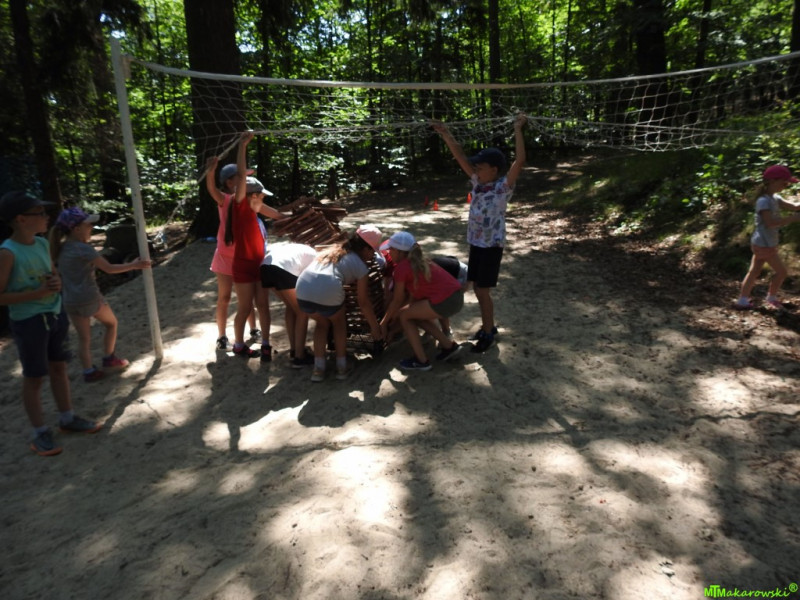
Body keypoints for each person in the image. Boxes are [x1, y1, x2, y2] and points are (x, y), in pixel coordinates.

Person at [0, 191, 102, 456]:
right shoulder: (8, 253)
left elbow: (53, 275)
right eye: (40, 213)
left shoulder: (43, 244)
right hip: (29, 321)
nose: (47, 217)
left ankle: (67, 418)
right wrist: (38, 293)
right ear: (21, 219)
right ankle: (39, 432)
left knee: (59, 367)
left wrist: (55, 283)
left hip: (55, 314)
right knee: (34, 377)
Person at [432, 113, 527, 352]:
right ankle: (489, 327)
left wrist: (518, 129)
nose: (476, 169)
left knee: (482, 291)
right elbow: (460, 156)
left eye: (480, 167)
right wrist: (445, 133)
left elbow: (519, 161)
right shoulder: (477, 182)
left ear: (494, 170)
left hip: (491, 247)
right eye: (475, 167)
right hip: (476, 244)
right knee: (475, 287)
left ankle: (488, 332)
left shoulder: (503, 187)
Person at [49, 206, 151, 382]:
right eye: (88, 225)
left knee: (84, 338)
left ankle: (88, 371)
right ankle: (109, 359)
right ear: (76, 229)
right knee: (111, 323)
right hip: (89, 297)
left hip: (70, 300)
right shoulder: (84, 249)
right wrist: (134, 265)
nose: (91, 227)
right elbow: (109, 268)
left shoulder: (60, 248)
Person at [295, 225, 384, 382]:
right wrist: (374, 328)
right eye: (373, 252)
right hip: (328, 286)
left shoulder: (331, 251)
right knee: (339, 323)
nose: (372, 256)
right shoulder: (361, 266)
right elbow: (363, 302)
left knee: (322, 324)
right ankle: (342, 366)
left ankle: (318, 369)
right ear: (365, 249)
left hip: (302, 288)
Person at [229, 131, 289, 361]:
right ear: (252, 196)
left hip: (260, 265)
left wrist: (302, 216)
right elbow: (241, 177)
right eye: (262, 196)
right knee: (245, 308)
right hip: (243, 266)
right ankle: (238, 344)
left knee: (263, 305)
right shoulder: (240, 207)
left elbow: (279, 215)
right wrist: (243, 147)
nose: (263, 199)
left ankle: (265, 343)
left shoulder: (256, 208)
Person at [380, 231, 465, 371]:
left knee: (404, 316)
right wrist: (393, 326)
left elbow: (397, 300)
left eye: (391, 250)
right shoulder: (420, 261)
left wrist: (383, 324)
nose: (389, 253)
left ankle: (421, 360)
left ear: (400, 252)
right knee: (411, 314)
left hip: (446, 301)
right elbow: (411, 300)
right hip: (457, 298)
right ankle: (449, 346)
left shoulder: (401, 268)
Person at [205, 156, 259, 350]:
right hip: (225, 257)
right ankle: (222, 336)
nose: (246, 181)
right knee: (225, 298)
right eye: (241, 177)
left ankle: (254, 329)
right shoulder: (225, 200)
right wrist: (211, 170)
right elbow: (212, 189)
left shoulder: (249, 201)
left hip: (243, 256)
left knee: (247, 298)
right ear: (229, 182)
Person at [735, 164, 800, 310]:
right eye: (784, 182)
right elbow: (770, 223)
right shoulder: (763, 201)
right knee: (782, 272)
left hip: (763, 242)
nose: (786, 185)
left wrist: (796, 210)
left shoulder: (775, 198)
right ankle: (771, 298)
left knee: (754, 271)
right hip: (764, 244)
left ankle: (742, 300)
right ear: (772, 181)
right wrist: (792, 219)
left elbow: (795, 206)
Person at [260, 241, 317, 367]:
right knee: (302, 311)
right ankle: (299, 356)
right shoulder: (314, 255)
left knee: (291, 307)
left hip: (265, 268)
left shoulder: (295, 248)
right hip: (281, 268)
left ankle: (294, 349)